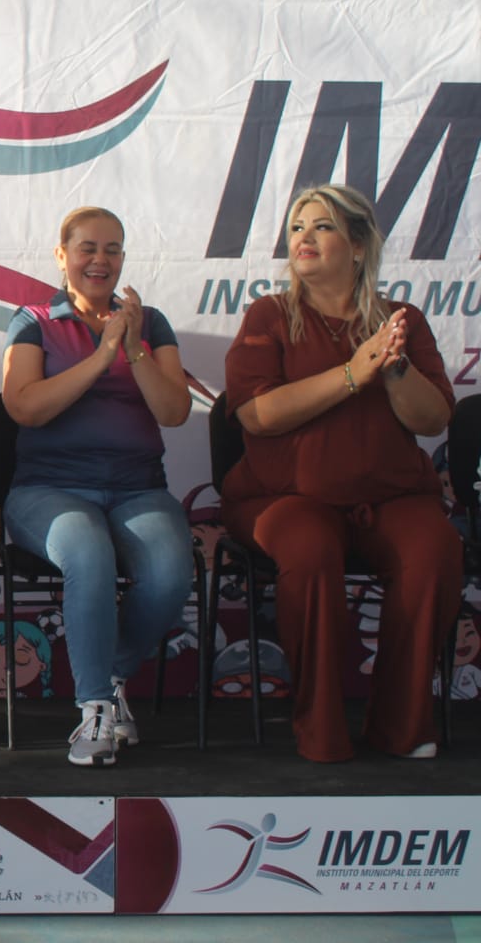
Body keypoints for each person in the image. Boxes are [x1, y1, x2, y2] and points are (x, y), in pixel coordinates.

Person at [221, 183, 460, 762]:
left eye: (322, 226)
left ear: (357, 246)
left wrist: (395, 369)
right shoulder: (270, 314)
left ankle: (402, 726)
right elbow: (256, 415)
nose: (303, 237)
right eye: (297, 227)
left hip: (392, 496)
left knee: (433, 550)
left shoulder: (401, 322)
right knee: (308, 550)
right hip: (285, 497)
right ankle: (321, 728)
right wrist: (352, 374)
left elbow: (433, 419)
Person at [0, 207, 194, 766]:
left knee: (169, 571)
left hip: (138, 489)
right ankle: (95, 710)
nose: (100, 260)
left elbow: (174, 411)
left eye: (112, 249)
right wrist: (102, 354)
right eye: (87, 248)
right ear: (62, 255)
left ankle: (112, 677)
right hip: (48, 490)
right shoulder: (33, 320)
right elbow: (24, 407)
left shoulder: (150, 323)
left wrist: (131, 346)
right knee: (87, 551)